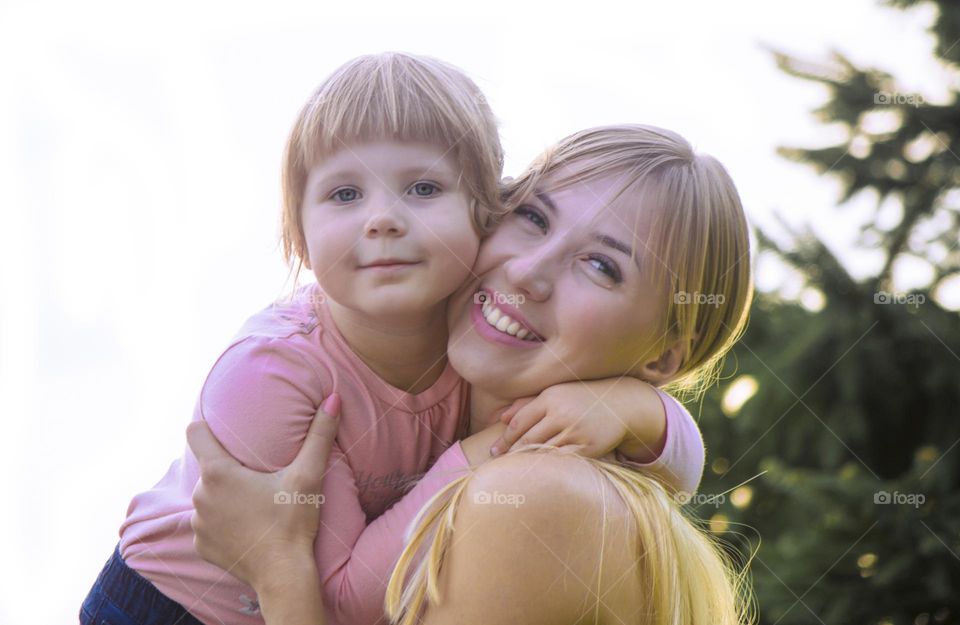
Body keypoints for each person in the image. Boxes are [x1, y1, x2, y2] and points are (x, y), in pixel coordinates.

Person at [79, 53, 704, 625]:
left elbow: (685, 473)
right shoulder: (271, 375)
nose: (382, 218)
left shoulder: (473, 332)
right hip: (170, 606)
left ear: (483, 212)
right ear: (299, 237)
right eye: (344, 194)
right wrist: (483, 451)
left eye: (425, 188)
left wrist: (633, 410)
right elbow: (342, 599)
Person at [186, 124, 755, 624]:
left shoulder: (535, 495)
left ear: (661, 358)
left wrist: (275, 569)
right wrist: (634, 409)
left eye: (602, 266)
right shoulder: (375, 355)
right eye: (532, 217)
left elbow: (341, 601)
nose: (529, 271)